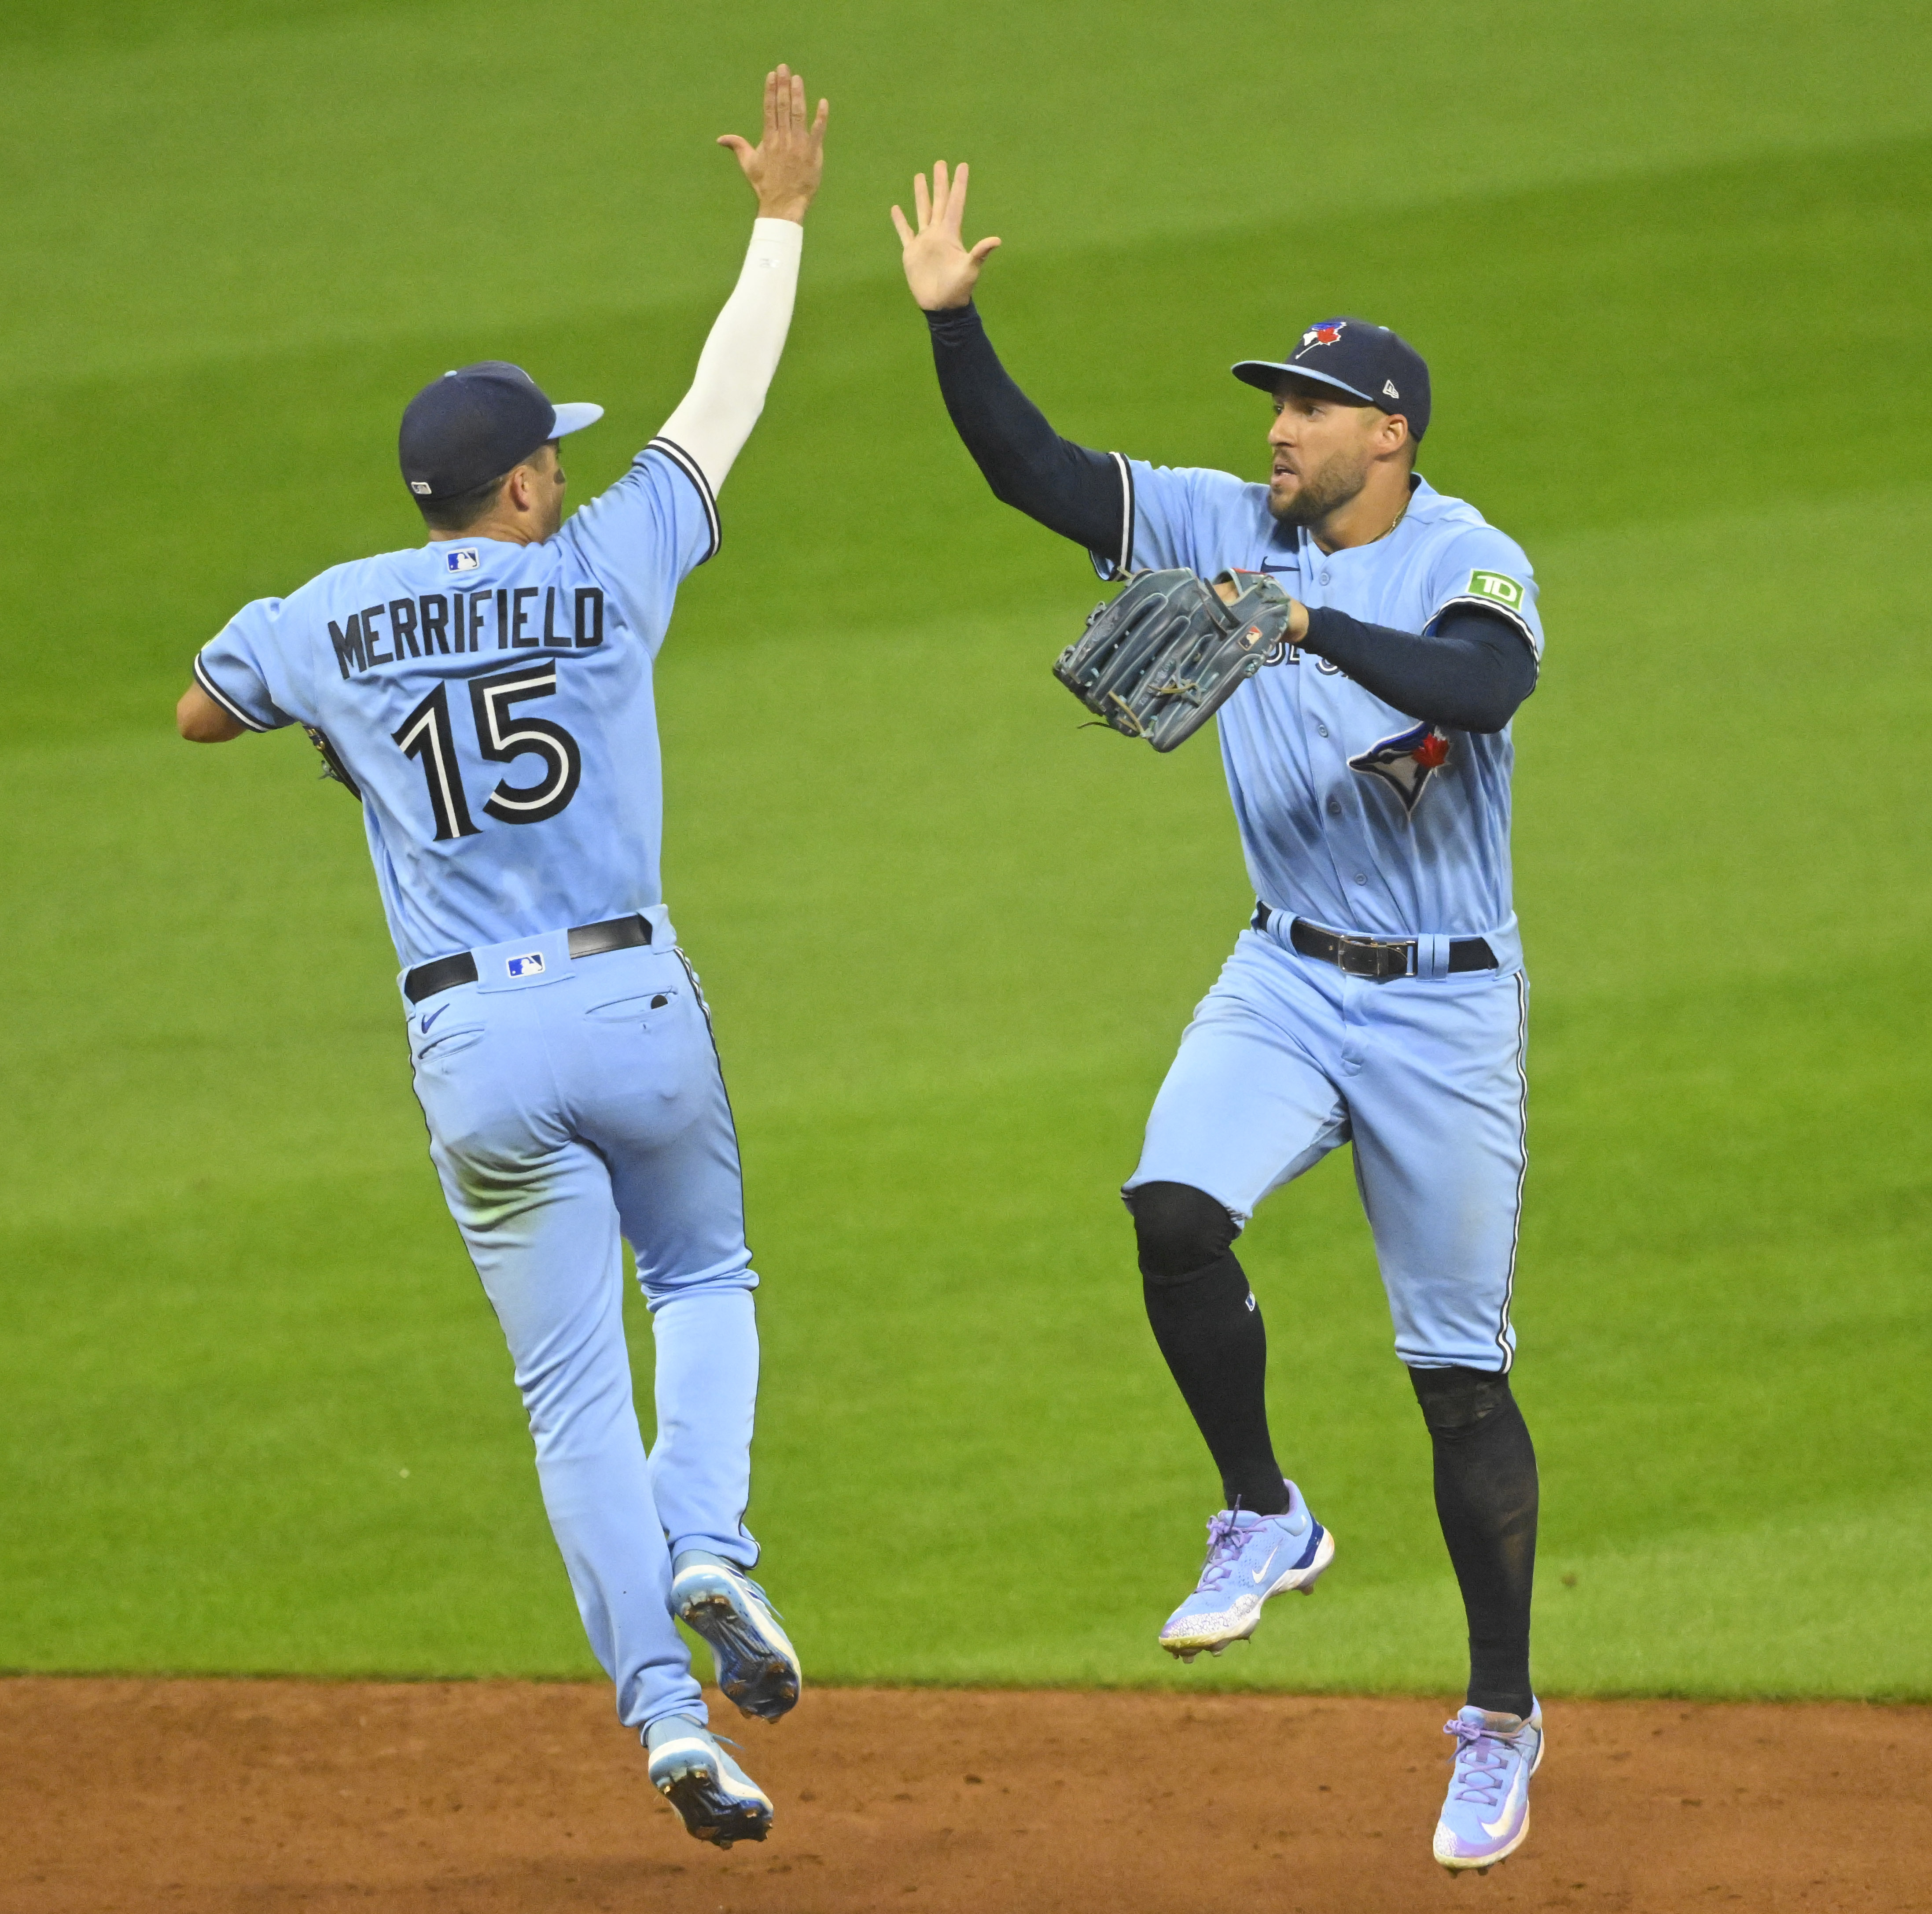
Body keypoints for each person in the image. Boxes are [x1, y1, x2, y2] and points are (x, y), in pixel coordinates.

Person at [172, 64, 831, 1848]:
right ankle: (712, 1539)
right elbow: (719, 406)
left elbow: (194, 712)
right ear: (529, 483)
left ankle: (671, 1733)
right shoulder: (609, 563)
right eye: (553, 454)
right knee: (701, 1278)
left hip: (471, 1051)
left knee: (565, 1404)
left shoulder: (322, 614)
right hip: (629, 997)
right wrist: (776, 217)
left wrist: (351, 726)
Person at [891, 160, 1549, 1873]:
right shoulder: (1211, 519)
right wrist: (953, 320)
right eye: (1273, 402)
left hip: (1444, 1012)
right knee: (1172, 1209)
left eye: (1310, 407)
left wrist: (1309, 622)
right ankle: (1262, 1512)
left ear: (1387, 434)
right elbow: (1029, 474)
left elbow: (1487, 687)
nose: (1276, 428)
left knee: (1458, 1381)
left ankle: (1497, 1717)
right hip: (1283, 969)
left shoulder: (1470, 556)